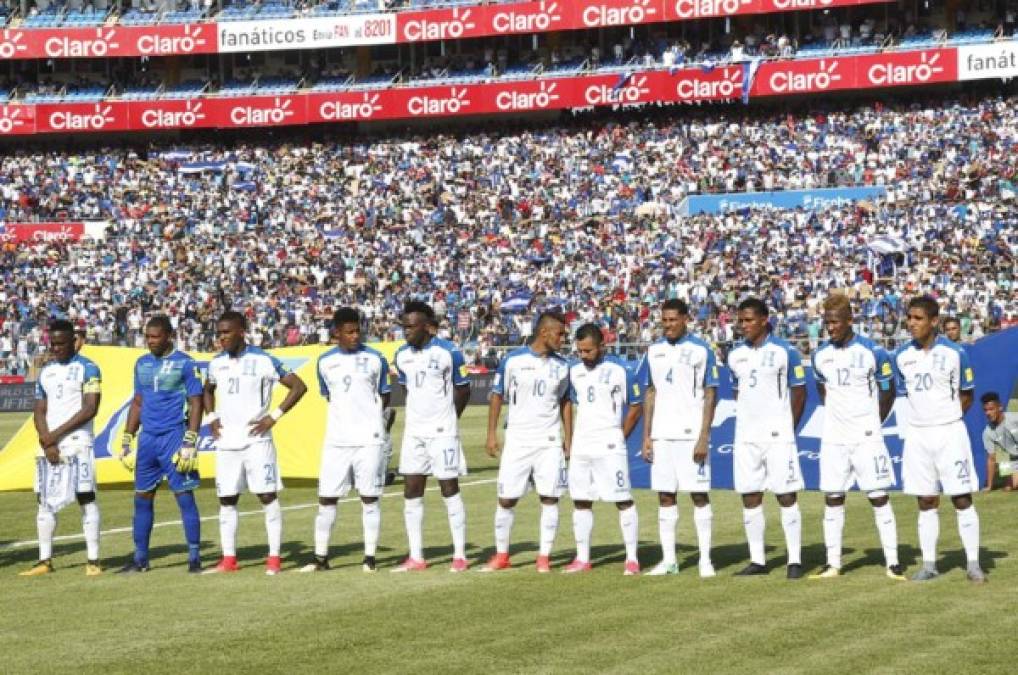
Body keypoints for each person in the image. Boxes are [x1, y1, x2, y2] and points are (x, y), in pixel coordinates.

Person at [808, 295, 905, 580]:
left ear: (850, 321)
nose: (831, 328)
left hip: (866, 436)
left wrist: (872, 422)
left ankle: (893, 561)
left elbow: (888, 391)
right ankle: (833, 563)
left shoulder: (873, 352)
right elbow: (823, 391)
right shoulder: (820, 355)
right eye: (827, 323)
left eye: (835, 322)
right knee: (833, 497)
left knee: (878, 496)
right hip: (834, 437)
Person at [203, 311, 307, 576]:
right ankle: (229, 559)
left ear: (241, 331)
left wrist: (273, 417)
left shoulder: (263, 360)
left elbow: (298, 387)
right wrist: (212, 417)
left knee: (267, 496)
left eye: (227, 332)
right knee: (226, 499)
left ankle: (274, 558)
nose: (222, 338)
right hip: (227, 442)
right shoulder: (216, 363)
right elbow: (207, 389)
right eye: (219, 333)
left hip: (256, 441)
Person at [892, 296, 985, 582]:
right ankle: (930, 564)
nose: (911, 323)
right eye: (909, 318)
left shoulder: (955, 353)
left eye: (918, 318)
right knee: (926, 500)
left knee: (960, 497)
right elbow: (903, 397)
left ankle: (973, 563)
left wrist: (946, 417)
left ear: (934, 322)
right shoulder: (901, 356)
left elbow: (966, 393)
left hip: (949, 432)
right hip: (918, 435)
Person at [301, 308, 391, 574]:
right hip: (337, 440)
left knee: (369, 498)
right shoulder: (325, 362)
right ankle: (320, 558)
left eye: (357, 331)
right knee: (327, 498)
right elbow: (330, 396)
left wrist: (374, 422)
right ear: (336, 333)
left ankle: (370, 558)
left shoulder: (376, 358)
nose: (355, 336)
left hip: (369, 440)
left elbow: (384, 395)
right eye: (349, 332)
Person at [483, 311, 571, 573]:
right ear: (544, 332)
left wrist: (570, 438)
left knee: (550, 497)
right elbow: (497, 396)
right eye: (560, 333)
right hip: (518, 440)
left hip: (549, 441)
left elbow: (566, 402)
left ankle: (544, 557)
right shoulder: (512, 360)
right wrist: (491, 434)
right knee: (506, 498)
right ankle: (502, 555)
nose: (563, 339)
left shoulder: (563, 365)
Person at [115, 315, 205, 574]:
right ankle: (140, 559)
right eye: (148, 337)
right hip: (148, 440)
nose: (151, 342)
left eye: (155, 337)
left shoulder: (185, 364)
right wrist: (127, 437)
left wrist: (190, 439)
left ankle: (194, 558)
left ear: (169, 336)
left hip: (174, 437)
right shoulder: (141, 364)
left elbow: (196, 401)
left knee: (184, 497)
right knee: (142, 498)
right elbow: (138, 401)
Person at [726, 298, 807, 579]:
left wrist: (787, 428)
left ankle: (794, 559)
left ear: (764, 320)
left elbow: (799, 393)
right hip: (747, 436)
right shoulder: (735, 355)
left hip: (778, 436)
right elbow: (738, 393)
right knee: (750, 495)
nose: (744, 325)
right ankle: (757, 560)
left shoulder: (786, 351)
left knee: (786, 494)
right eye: (741, 320)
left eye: (749, 320)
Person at [639, 299, 719, 577]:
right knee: (665, 496)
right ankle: (669, 560)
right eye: (665, 320)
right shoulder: (654, 351)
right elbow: (650, 392)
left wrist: (704, 435)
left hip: (689, 434)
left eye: (673, 319)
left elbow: (710, 393)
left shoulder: (701, 350)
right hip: (662, 434)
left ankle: (706, 560)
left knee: (698, 494)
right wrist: (647, 436)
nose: (668, 325)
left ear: (686, 319)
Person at [391, 301, 471, 572]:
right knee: (412, 490)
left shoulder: (450, 352)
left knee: (449, 488)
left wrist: (449, 419)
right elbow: (407, 389)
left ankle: (460, 554)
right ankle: (416, 556)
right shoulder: (401, 355)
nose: (406, 332)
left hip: (442, 433)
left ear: (426, 326)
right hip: (414, 433)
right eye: (404, 327)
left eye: (411, 327)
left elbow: (463, 390)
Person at [21, 320, 102, 577]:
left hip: (78, 443)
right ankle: (44, 560)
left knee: (85, 497)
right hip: (51, 445)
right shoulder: (46, 371)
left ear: (73, 341)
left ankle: (93, 560)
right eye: (52, 344)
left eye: (60, 343)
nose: (55, 348)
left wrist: (53, 437)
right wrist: (47, 440)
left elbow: (90, 408)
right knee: (44, 500)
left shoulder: (88, 369)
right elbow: (39, 410)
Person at [564, 323, 643, 575]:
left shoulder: (620, 369)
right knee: (581, 500)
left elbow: (635, 406)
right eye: (580, 351)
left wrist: (620, 435)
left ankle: (631, 558)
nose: (584, 356)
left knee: (622, 499)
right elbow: (569, 403)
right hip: (582, 445)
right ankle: (583, 557)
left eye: (588, 351)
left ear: (602, 346)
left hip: (609, 444)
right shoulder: (574, 371)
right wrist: (569, 439)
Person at [980, 391, 1018, 491]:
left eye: (991, 409)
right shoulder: (987, 433)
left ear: (1000, 407)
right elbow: (991, 459)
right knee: (1010, 487)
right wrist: (989, 486)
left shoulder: (1015, 418)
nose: (988, 413)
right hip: (1013, 460)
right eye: (985, 410)